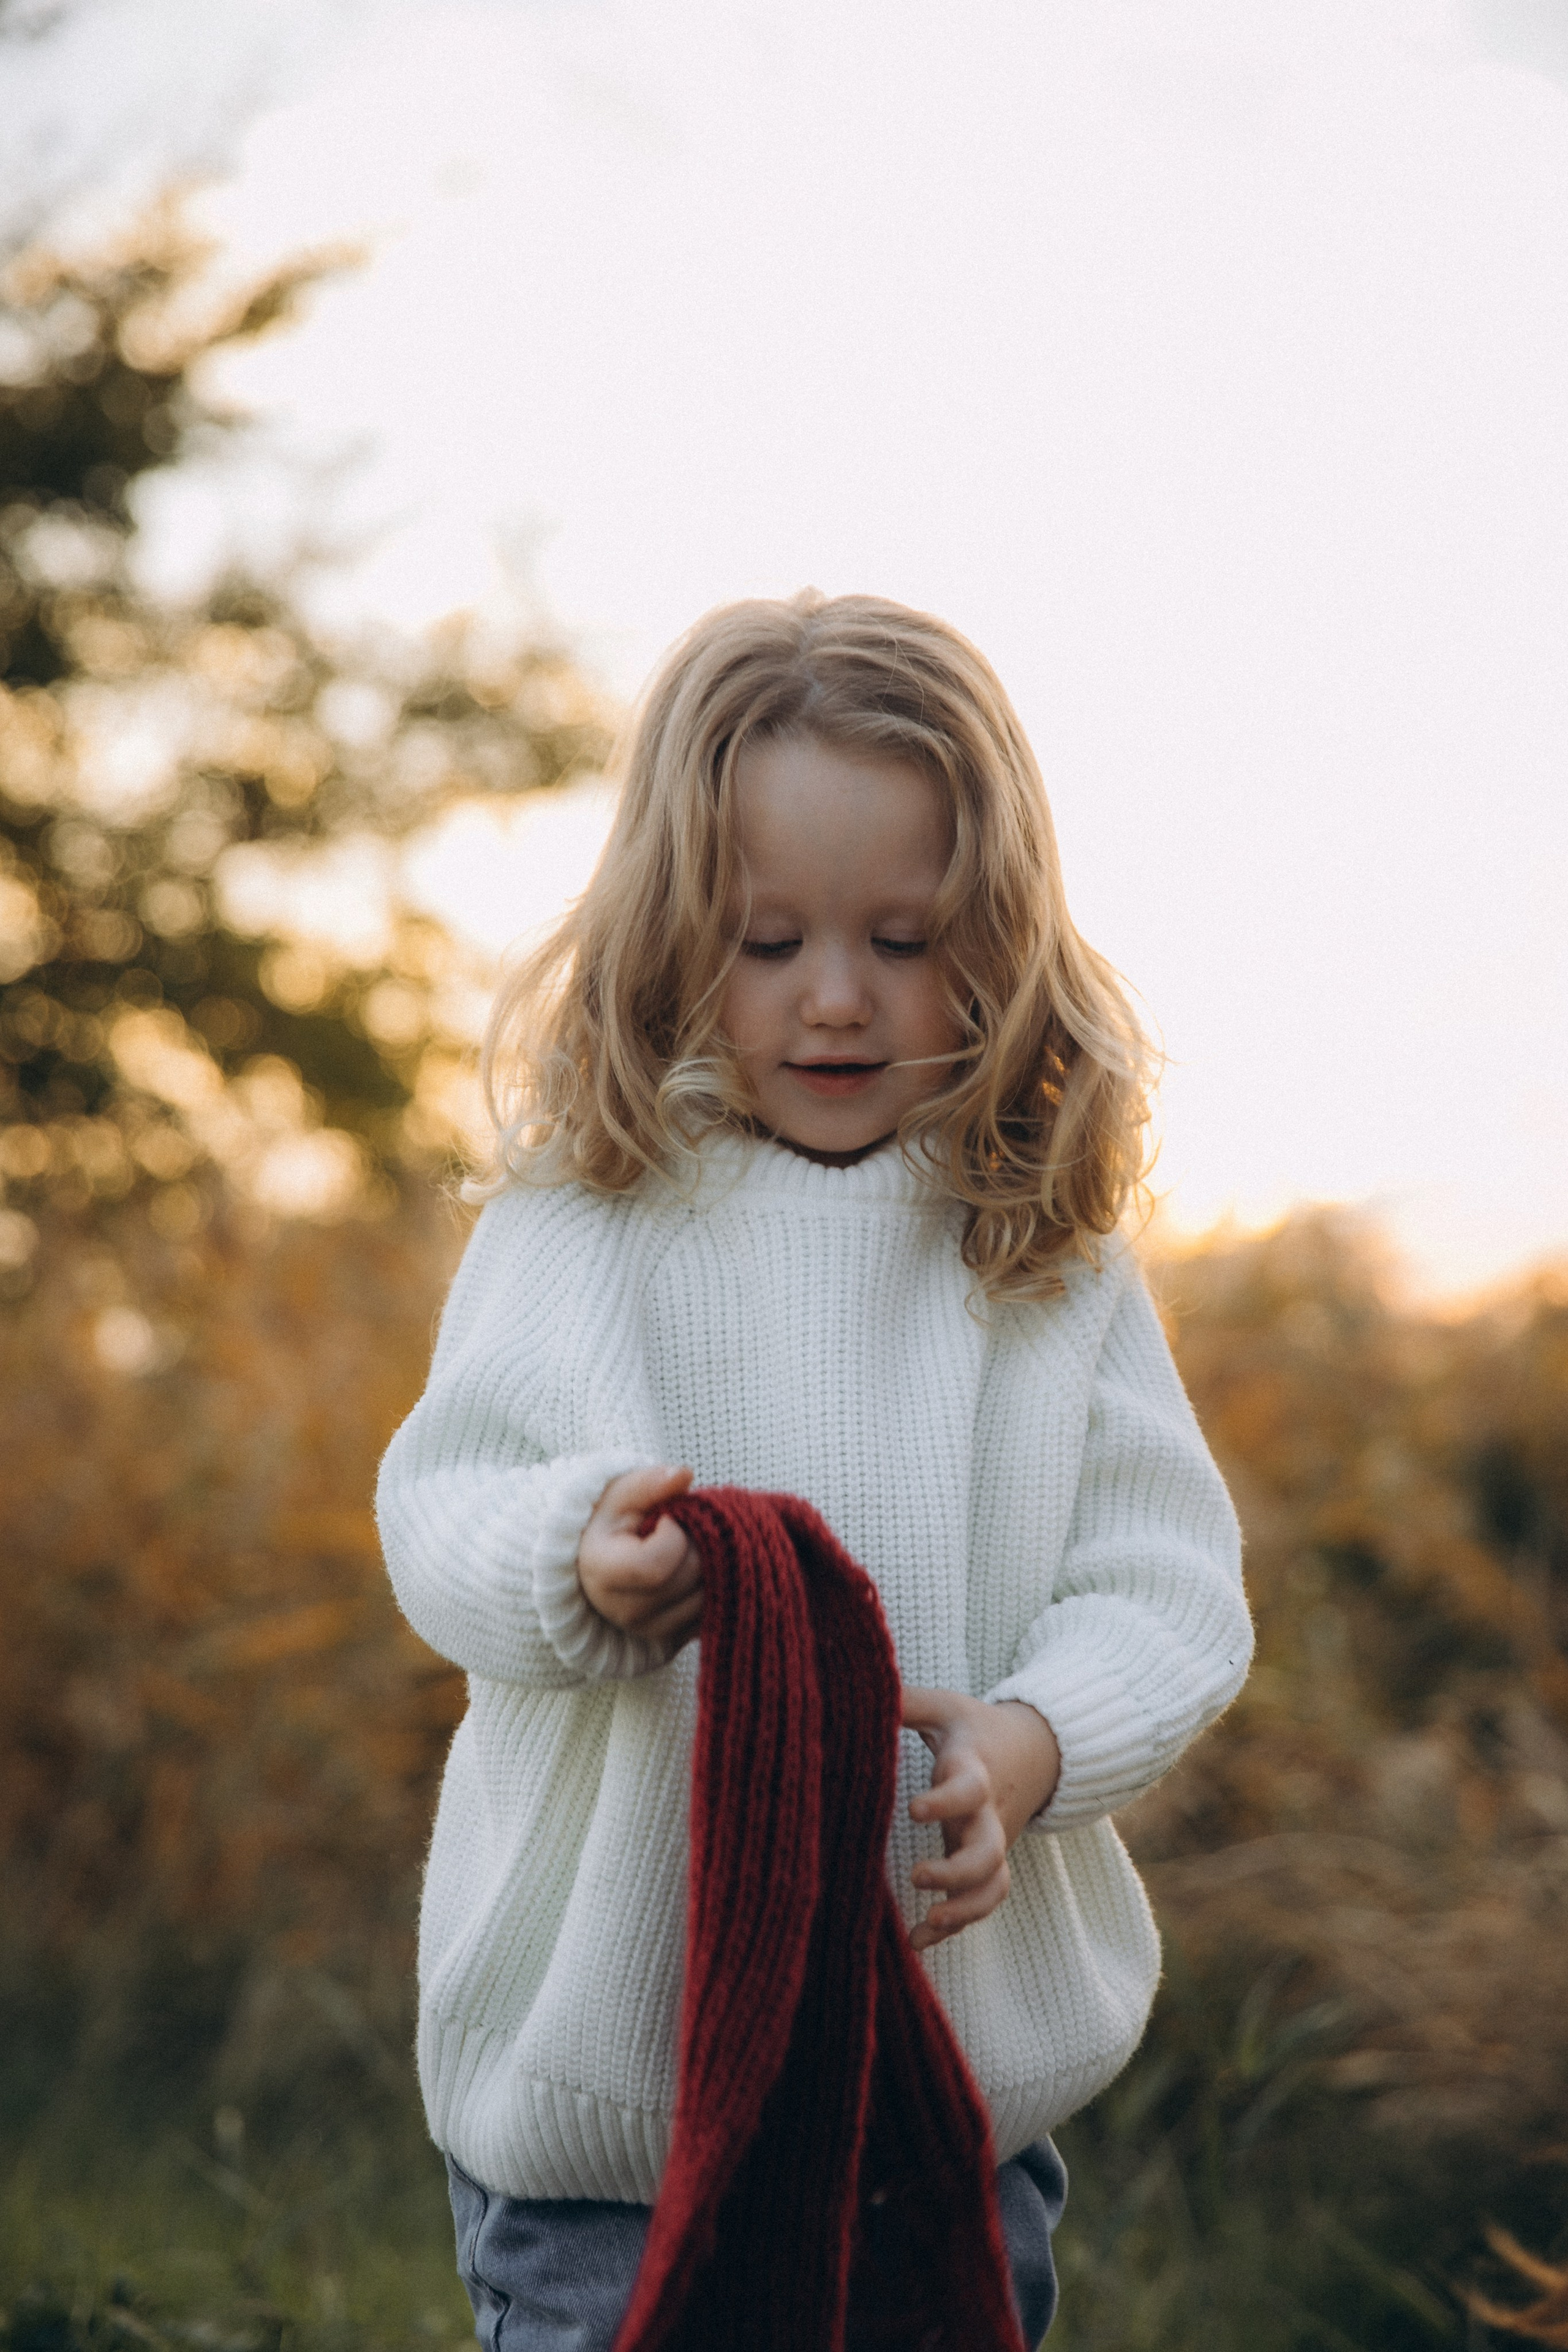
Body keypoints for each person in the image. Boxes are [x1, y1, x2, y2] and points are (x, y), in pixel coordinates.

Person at [376, 590, 1253, 2350]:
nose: (838, 1000)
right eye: (769, 941)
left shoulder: (1044, 1257)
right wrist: (576, 1563)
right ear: (673, 930)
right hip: (610, 2128)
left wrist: (1028, 1746)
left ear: (1001, 939)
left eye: (909, 940)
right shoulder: (586, 1220)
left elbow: (1166, 1590)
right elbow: (438, 1514)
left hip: (942, 2116)